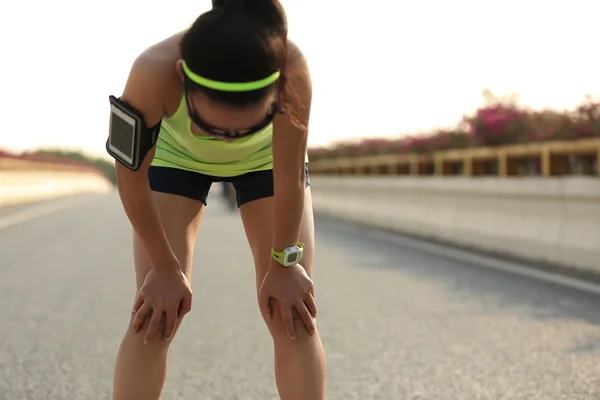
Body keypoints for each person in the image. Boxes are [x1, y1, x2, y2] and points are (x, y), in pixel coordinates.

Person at [108, 0, 327, 399]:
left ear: (275, 90)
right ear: (181, 78)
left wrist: (284, 262)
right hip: (178, 156)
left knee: (290, 313)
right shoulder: (151, 70)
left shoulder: (292, 67)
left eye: (243, 128)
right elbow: (130, 176)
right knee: (155, 317)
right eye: (208, 126)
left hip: (267, 162)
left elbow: (291, 175)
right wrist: (163, 268)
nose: (225, 139)